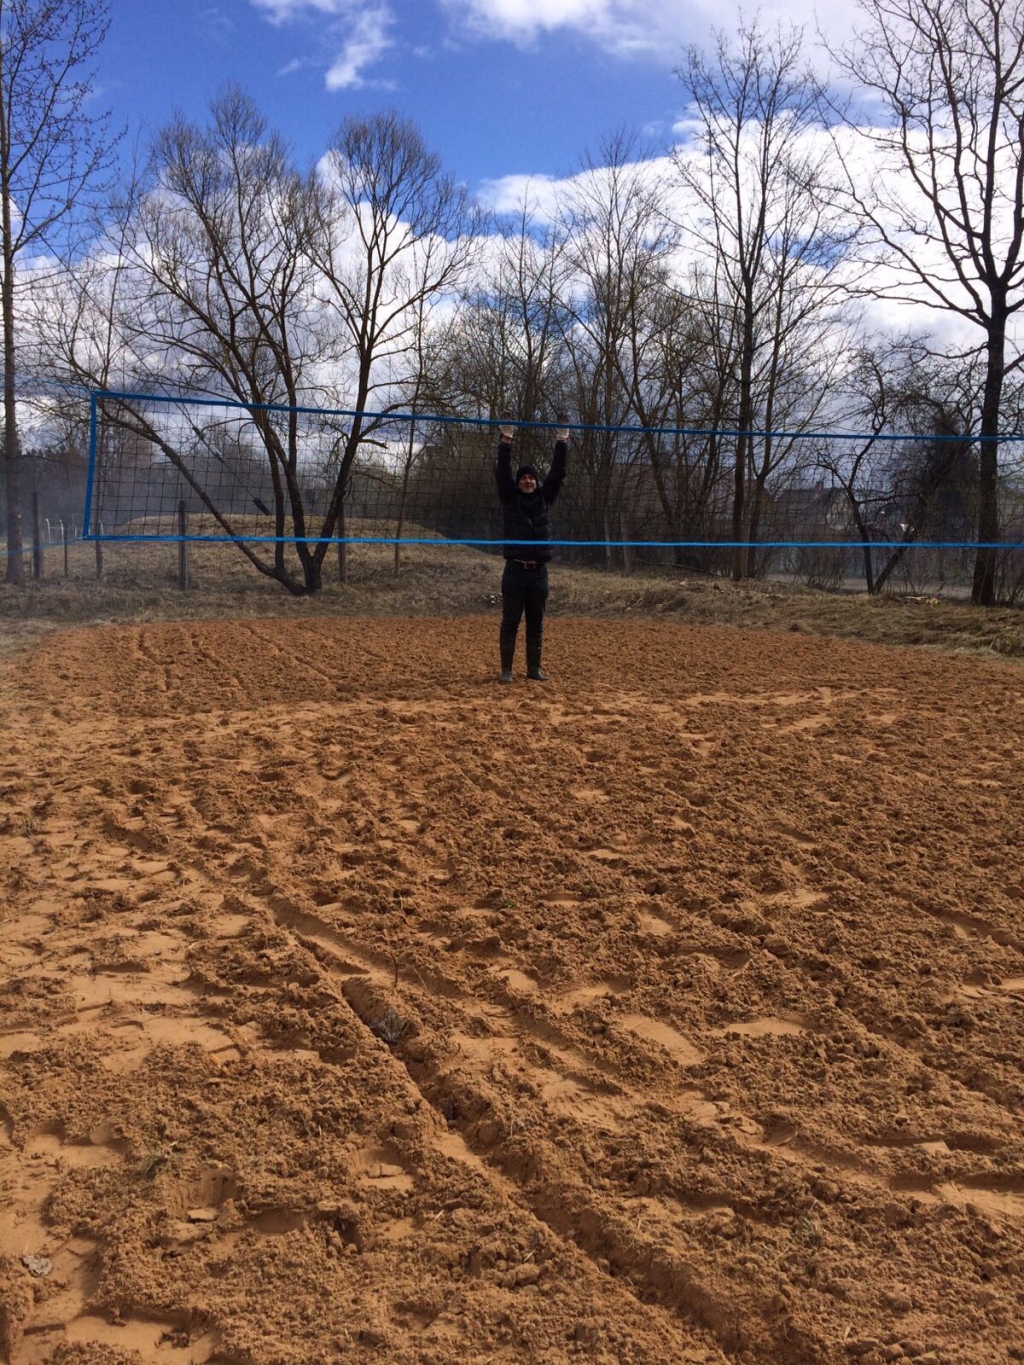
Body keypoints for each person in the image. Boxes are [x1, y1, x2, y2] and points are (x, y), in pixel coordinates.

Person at [494, 422, 569, 683]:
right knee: (510, 622)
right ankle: (506, 671)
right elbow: (502, 472)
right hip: (514, 571)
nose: (528, 480)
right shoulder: (510, 497)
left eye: (532, 478)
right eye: (524, 478)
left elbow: (557, 473)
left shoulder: (545, 498)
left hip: (538, 573)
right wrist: (506, 441)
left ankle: (533, 669)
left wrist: (562, 441)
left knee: (536, 624)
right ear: (518, 483)